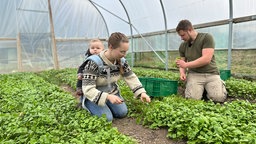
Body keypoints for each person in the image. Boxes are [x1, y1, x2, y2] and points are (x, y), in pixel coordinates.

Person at [82, 32, 151, 121]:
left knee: (121, 113)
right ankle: (88, 104)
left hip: (112, 92)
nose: (125, 55)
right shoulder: (94, 62)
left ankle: (106, 104)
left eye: (126, 51)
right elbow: (88, 88)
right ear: (111, 47)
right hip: (94, 95)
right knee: (107, 118)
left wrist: (142, 93)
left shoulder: (122, 61)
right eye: (122, 51)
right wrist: (108, 97)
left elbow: (130, 77)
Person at [175, 19, 227, 102]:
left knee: (218, 98)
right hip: (194, 74)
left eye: (183, 35)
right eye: (180, 36)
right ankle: (201, 90)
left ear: (190, 30)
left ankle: (211, 88)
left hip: (211, 74)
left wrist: (186, 65)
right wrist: (182, 72)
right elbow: (182, 62)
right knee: (192, 100)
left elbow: (206, 59)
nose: (181, 38)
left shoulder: (206, 38)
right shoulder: (183, 45)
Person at [76, 39, 104, 106]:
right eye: (92, 48)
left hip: (97, 78)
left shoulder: (103, 58)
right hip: (85, 77)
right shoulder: (89, 58)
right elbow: (81, 67)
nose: (95, 50)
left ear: (103, 49)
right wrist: (80, 74)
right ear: (89, 49)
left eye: (98, 48)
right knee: (83, 87)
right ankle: (82, 100)